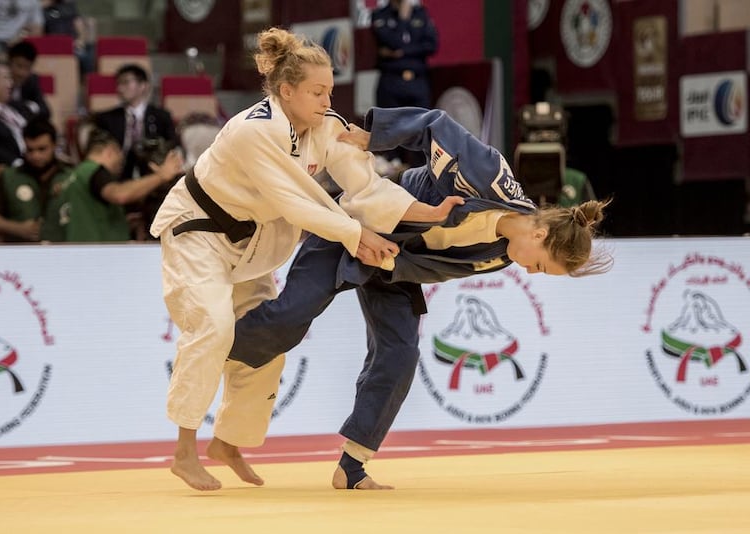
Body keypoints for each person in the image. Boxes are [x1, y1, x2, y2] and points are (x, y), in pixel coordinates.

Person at [226, 107, 613, 490]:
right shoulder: (489, 177)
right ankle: (214, 347)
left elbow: (436, 270)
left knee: (400, 353)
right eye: (541, 267)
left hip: (396, 263)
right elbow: (435, 125)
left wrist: (390, 266)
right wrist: (374, 137)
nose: (530, 273)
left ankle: (352, 467)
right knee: (290, 317)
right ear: (540, 236)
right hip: (365, 220)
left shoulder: (500, 254)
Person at [149, 28, 463, 492]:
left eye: (330, 91)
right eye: (317, 92)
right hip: (198, 232)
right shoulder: (254, 129)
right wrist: (356, 236)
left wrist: (428, 212)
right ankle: (183, 452)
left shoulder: (327, 127)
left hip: (252, 245)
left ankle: (228, 444)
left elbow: (367, 187)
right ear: (286, 90)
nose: (326, 100)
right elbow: (297, 203)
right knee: (213, 326)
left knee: (269, 340)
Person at [93, 63, 177, 237]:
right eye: (118, 84)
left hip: (154, 174)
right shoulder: (106, 119)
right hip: (118, 176)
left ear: (143, 85)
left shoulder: (161, 116)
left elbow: (172, 147)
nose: (120, 88)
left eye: (126, 82)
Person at [59, 128, 183, 242]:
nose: (121, 162)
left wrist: (121, 223)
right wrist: (161, 175)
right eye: (120, 154)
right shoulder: (94, 172)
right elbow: (120, 195)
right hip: (98, 255)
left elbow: (86, 217)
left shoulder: (75, 175)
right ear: (110, 151)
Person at [0, 117, 71, 242]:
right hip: (19, 253)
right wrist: (17, 228)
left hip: (64, 252)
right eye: (30, 150)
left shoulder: (72, 176)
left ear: (54, 146)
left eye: (42, 149)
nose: (35, 156)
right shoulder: (9, 177)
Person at [371, 0, 437, 167]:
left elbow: (432, 45)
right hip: (391, 81)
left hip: (417, 82)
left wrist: (400, 52)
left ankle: (423, 177)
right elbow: (394, 41)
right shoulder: (380, 15)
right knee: (392, 138)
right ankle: (396, 176)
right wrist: (403, 19)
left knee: (422, 134)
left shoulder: (420, 13)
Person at [40, 0, 94, 76]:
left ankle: (86, 83)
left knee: (85, 56)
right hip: (51, 46)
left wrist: (80, 39)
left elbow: (78, 23)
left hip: (71, 45)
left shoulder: (69, 6)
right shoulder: (41, 9)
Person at [7, 40, 50, 121]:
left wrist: (30, 107)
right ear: (9, 62)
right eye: (19, 66)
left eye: (27, 68)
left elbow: (45, 111)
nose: (22, 73)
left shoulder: (32, 80)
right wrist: (29, 106)